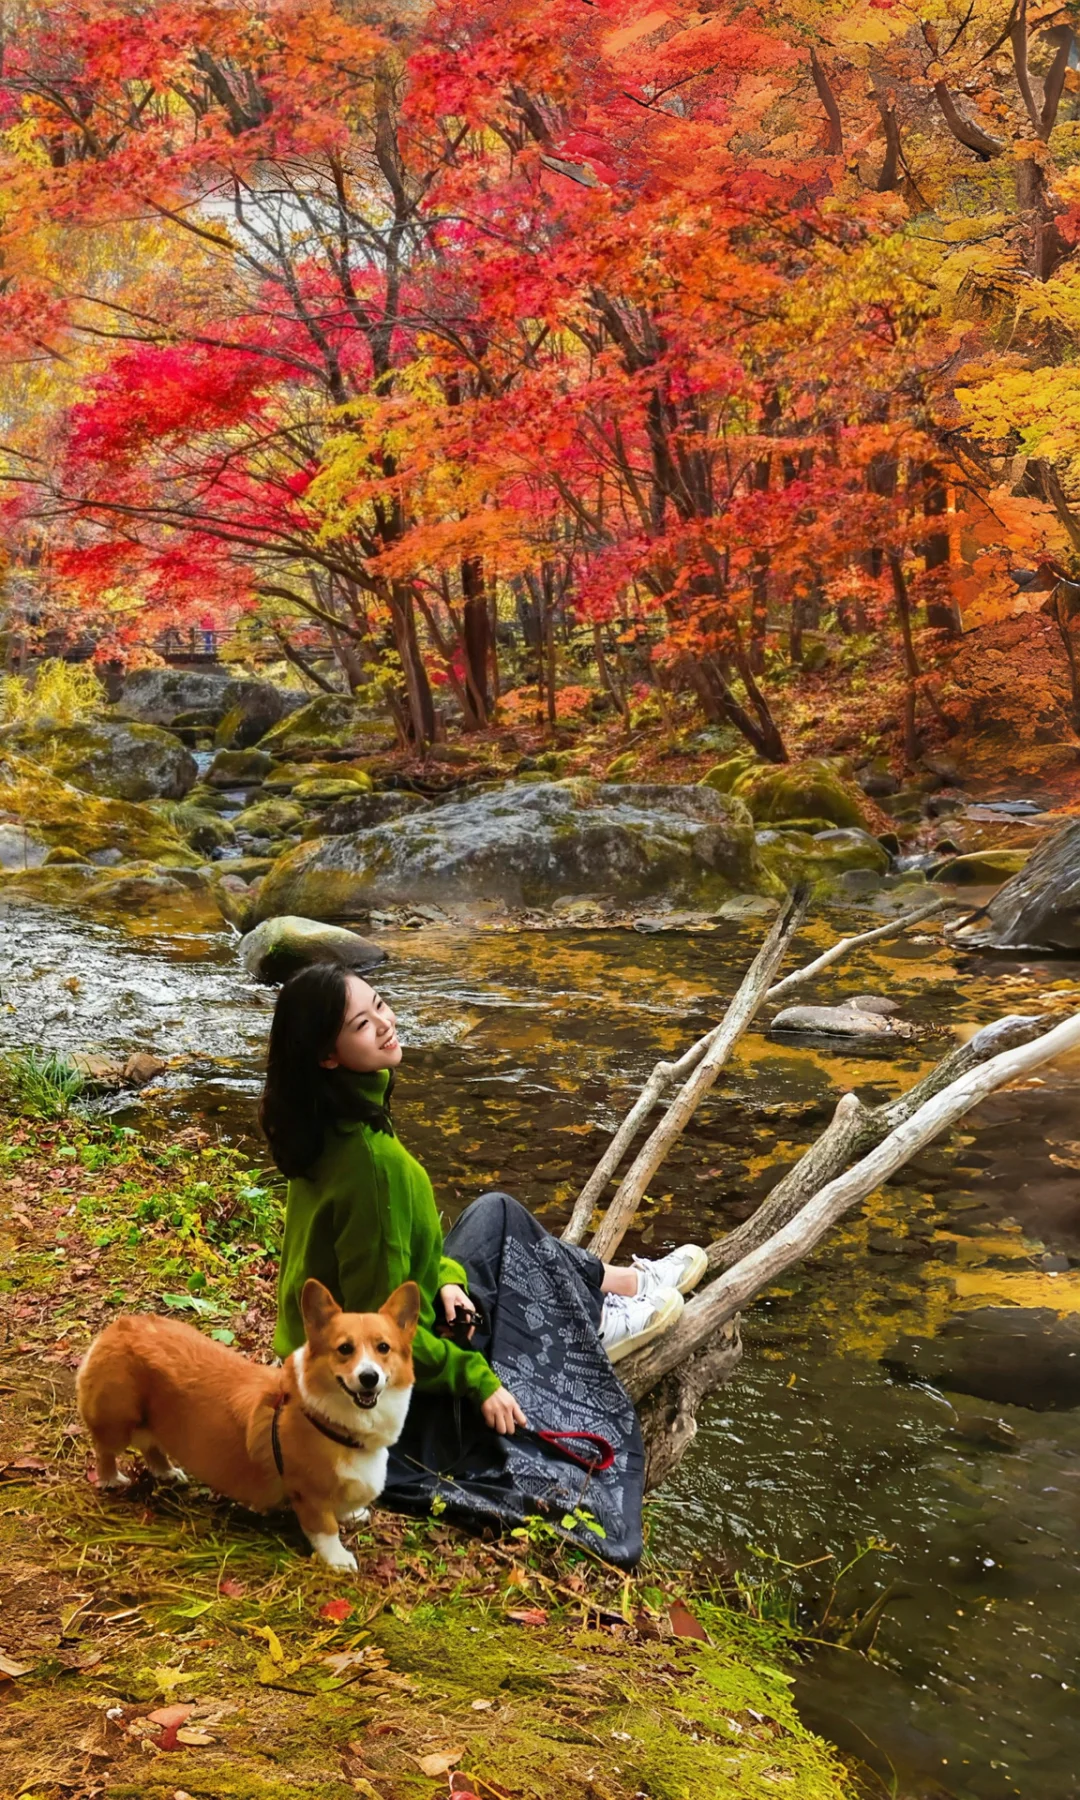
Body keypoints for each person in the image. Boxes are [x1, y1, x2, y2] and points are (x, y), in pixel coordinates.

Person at [261, 964, 708, 1562]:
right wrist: (480, 1381)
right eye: (363, 1025)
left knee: (494, 1216)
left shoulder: (322, 1130)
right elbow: (376, 1340)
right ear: (328, 1056)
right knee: (505, 1231)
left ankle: (617, 1284)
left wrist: (445, 1281)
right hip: (368, 1391)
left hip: (318, 1352)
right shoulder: (373, 1169)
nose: (386, 1025)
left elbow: (405, 1260)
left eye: (381, 1006)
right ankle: (603, 1311)